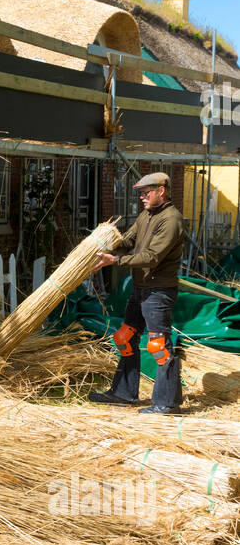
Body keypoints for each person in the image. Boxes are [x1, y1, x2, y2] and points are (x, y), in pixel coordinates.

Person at [89, 172, 185, 414]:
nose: (141, 197)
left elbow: (152, 257)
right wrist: (100, 246)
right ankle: (124, 394)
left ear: (161, 191)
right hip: (140, 289)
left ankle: (167, 403)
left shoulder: (171, 220)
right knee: (124, 338)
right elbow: (128, 241)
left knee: (158, 345)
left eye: (146, 192)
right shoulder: (146, 215)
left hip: (159, 292)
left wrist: (115, 261)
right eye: (140, 193)